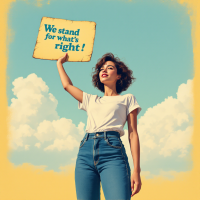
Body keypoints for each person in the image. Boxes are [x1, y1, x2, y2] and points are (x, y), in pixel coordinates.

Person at [57, 52, 142, 200]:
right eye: (102, 68)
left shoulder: (127, 99)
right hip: (85, 152)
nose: (104, 70)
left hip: (112, 151)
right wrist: (59, 63)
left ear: (119, 76)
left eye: (109, 68)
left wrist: (136, 170)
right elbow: (67, 85)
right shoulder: (91, 100)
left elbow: (133, 133)